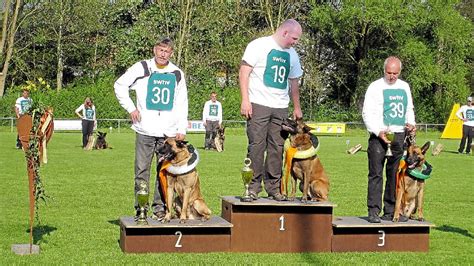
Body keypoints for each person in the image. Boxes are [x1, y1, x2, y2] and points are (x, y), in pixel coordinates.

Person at [114, 37, 188, 220]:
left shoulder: (177, 73)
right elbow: (119, 85)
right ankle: (141, 208)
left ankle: (160, 208)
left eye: (167, 51)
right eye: (160, 50)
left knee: (164, 172)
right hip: (145, 130)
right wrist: (131, 108)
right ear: (154, 50)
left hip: (168, 133)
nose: (163, 54)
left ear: (171, 53)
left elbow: (182, 102)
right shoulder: (141, 68)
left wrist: (181, 127)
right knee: (141, 170)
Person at [239, 19, 303, 201]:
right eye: (294, 38)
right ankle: (252, 187)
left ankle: (274, 187)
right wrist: (245, 100)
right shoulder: (258, 45)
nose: (295, 42)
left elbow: (294, 82)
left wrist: (296, 107)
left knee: (277, 147)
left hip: (280, 107)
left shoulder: (293, 55)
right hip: (258, 104)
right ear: (284, 33)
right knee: (256, 147)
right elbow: (244, 72)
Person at [362, 56, 416, 223]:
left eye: (395, 73)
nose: (392, 76)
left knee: (395, 175)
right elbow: (367, 113)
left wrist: (411, 124)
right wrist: (378, 131)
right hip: (379, 136)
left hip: (399, 136)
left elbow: (409, 108)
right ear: (384, 70)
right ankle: (373, 210)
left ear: (400, 72)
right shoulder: (375, 87)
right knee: (376, 174)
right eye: (389, 72)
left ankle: (391, 210)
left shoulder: (404, 87)